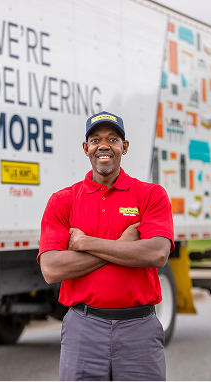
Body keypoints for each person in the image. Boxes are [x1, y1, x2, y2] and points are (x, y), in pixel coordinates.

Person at [38, 111, 174, 381]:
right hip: (83, 327)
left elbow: (157, 253)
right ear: (86, 147)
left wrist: (86, 243)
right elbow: (52, 269)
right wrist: (123, 246)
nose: (104, 145)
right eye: (96, 139)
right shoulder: (63, 201)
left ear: (124, 147)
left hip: (139, 327)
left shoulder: (150, 195)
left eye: (113, 139)